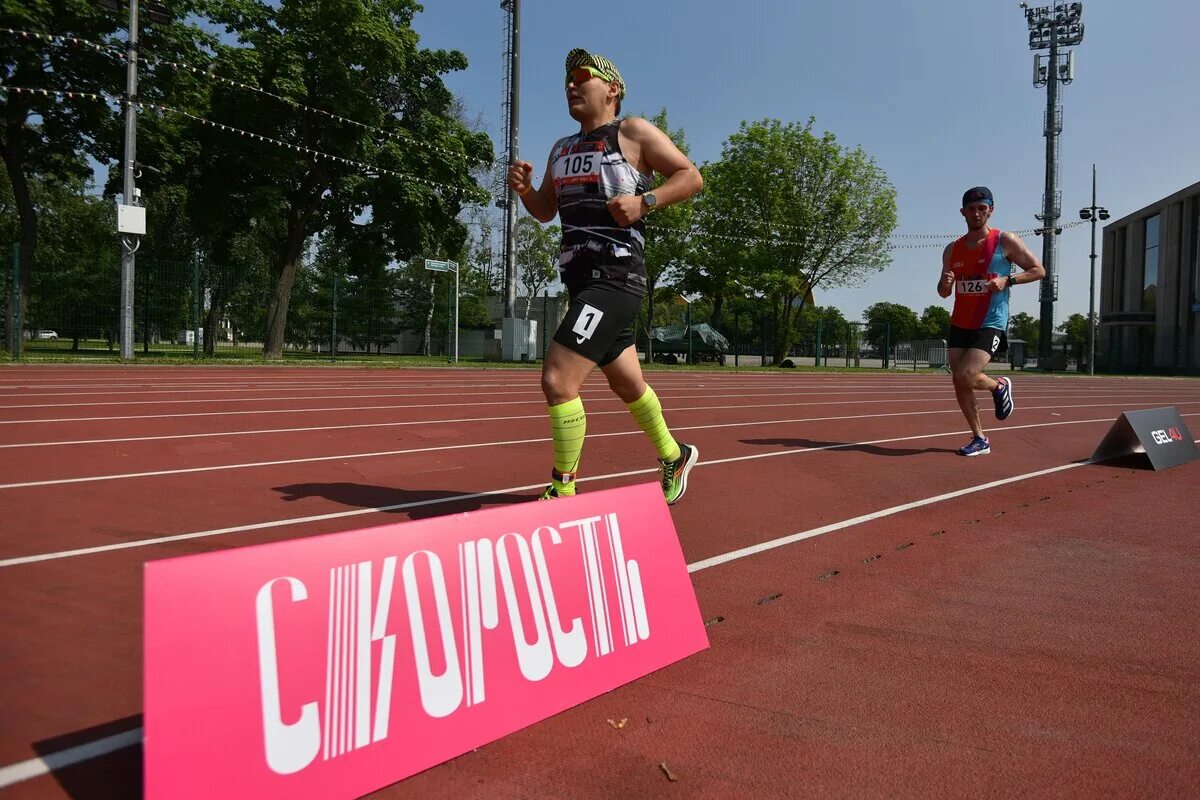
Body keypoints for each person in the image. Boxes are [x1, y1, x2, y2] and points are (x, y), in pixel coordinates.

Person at [506, 48, 704, 503]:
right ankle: (675, 455)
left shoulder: (631, 132)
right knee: (626, 383)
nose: (571, 85)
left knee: (558, 380)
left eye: (581, 76)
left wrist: (645, 201)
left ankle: (562, 488)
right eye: (566, 81)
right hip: (580, 282)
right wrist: (524, 192)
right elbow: (544, 211)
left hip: (615, 279)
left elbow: (690, 176)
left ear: (612, 89)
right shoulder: (562, 148)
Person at [938, 186, 1046, 456]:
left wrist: (1008, 279)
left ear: (991, 210)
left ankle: (999, 387)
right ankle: (980, 439)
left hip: (991, 320)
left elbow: (1038, 270)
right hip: (961, 321)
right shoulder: (952, 249)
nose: (976, 214)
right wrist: (944, 282)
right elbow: (943, 292)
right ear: (963, 212)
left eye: (982, 209)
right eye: (971, 209)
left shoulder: (1004, 241)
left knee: (967, 375)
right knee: (959, 381)